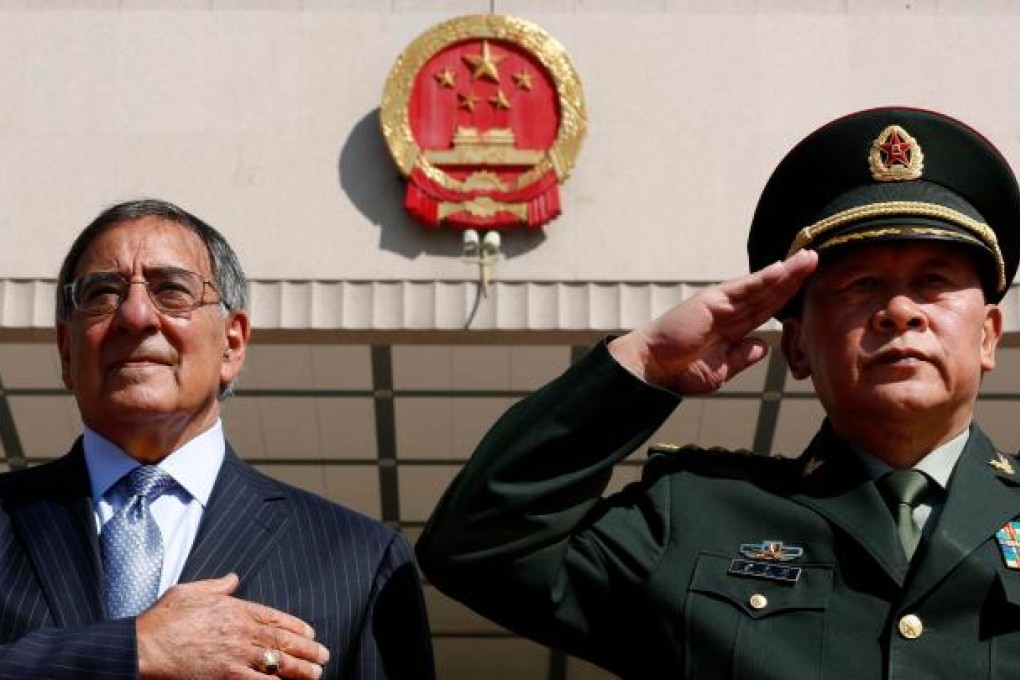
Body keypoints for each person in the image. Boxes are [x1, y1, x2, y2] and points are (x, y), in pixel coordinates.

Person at [416, 107, 1020, 678]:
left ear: (988, 335)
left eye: (933, 282)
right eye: (860, 286)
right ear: (799, 346)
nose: (897, 311)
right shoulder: (694, 517)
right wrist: (645, 361)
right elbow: (477, 546)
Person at [0, 199, 434, 679]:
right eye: (103, 293)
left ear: (232, 343)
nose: (136, 315)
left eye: (172, 291)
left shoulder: (357, 559)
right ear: (65, 350)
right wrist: (133, 649)